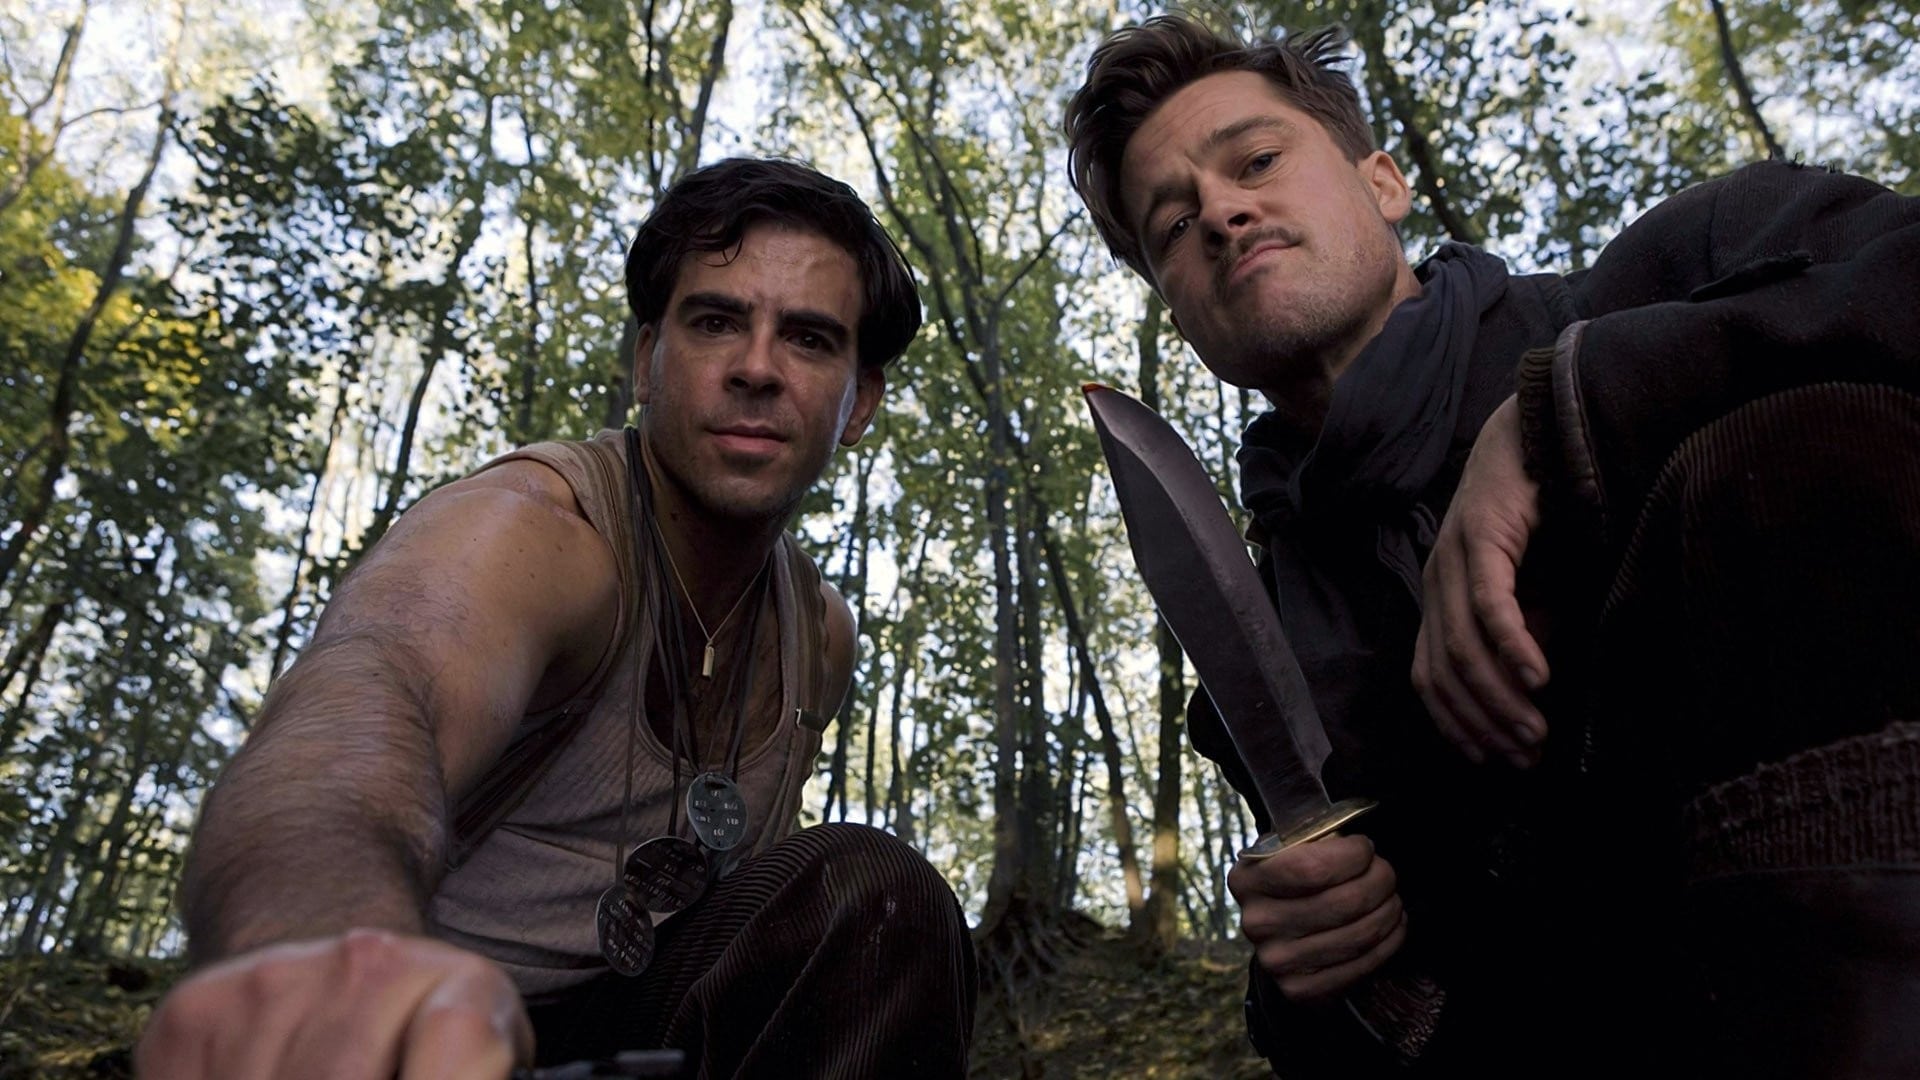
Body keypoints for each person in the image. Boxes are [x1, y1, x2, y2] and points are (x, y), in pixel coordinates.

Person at [1066, 14, 1920, 1077]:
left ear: (1383, 182)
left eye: (1257, 161)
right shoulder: (1265, 665)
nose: (1222, 213)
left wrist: (1574, 403)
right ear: (1178, 311)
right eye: (1172, 224)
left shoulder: (1684, 263)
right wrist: (1322, 981)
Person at [136, 157, 977, 1079]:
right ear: (647, 360)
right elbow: (365, 706)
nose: (755, 368)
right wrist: (323, 952)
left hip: (644, 1036)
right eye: (715, 322)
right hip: (433, 1031)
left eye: (809, 339)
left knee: (873, 894)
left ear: (859, 402)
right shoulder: (532, 534)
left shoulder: (818, 637)